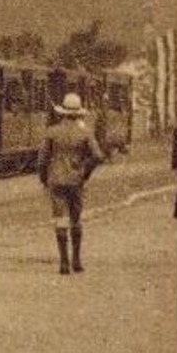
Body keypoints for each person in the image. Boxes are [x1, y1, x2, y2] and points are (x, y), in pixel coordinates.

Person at [38, 92, 106, 274]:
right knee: (76, 219)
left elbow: (42, 160)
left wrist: (44, 178)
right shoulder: (85, 132)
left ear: (62, 113)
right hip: (76, 181)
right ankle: (77, 260)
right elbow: (98, 156)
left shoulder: (52, 132)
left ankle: (64, 263)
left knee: (60, 218)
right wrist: (85, 172)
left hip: (57, 180)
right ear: (79, 114)